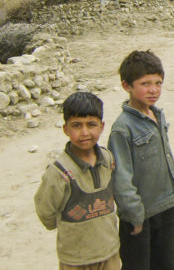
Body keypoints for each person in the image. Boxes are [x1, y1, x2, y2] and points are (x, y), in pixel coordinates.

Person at [108, 50, 174, 270]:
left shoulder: (157, 115)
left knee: (166, 262)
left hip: (165, 204)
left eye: (158, 83)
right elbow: (121, 177)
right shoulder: (122, 128)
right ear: (126, 86)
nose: (153, 90)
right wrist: (134, 214)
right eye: (145, 83)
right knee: (138, 264)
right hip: (140, 216)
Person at [34, 92, 120, 270]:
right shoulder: (59, 172)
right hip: (75, 259)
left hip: (109, 251)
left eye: (91, 124)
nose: (85, 132)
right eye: (76, 125)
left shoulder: (107, 159)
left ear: (102, 126)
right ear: (65, 129)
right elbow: (46, 213)